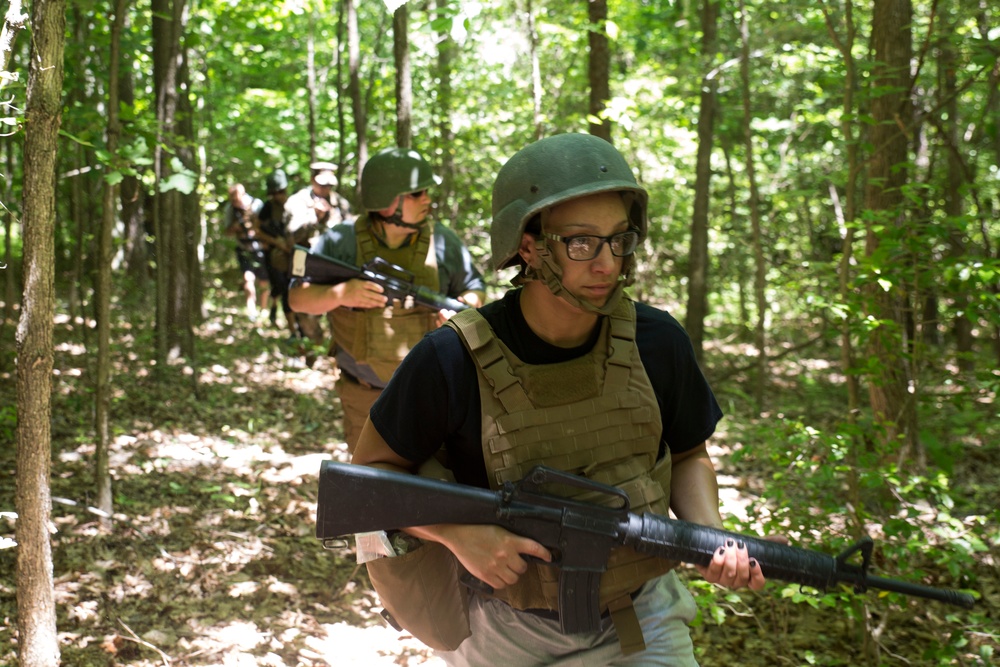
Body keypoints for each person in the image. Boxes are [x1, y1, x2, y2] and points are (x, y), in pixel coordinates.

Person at [351, 133, 774, 665]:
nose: (606, 264)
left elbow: (689, 455)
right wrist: (457, 534)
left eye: (620, 240)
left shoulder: (656, 341)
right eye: (581, 243)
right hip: (503, 634)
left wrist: (709, 534)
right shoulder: (451, 360)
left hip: (642, 619)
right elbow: (365, 489)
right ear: (528, 247)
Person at [289, 147, 485, 452]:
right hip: (365, 398)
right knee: (374, 493)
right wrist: (341, 293)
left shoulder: (443, 241)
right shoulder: (342, 241)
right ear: (386, 200)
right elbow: (298, 299)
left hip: (432, 398)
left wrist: (463, 311)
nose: (427, 200)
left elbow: (475, 289)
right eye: (417, 193)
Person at [283, 161, 354, 363]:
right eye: (322, 184)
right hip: (307, 267)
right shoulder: (296, 202)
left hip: (337, 268)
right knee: (306, 315)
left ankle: (336, 359)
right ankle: (312, 354)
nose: (326, 189)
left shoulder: (341, 203)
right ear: (312, 180)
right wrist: (314, 217)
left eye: (330, 185)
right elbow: (290, 238)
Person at [251, 169, 294, 331]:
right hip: (274, 256)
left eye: (280, 192)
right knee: (281, 287)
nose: (278, 196)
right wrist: (276, 242)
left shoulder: (294, 204)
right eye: (275, 193)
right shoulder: (268, 207)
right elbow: (257, 229)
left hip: (292, 254)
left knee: (290, 287)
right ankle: (288, 326)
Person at [222, 182, 267, 320]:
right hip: (243, 248)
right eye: (232, 200)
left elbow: (267, 226)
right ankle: (251, 310)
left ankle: (264, 309)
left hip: (260, 248)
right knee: (248, 279)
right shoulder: (230, 209)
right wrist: (235, 227)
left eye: (236, 199)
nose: (234, 202)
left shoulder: (257, 205)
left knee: (263, 281)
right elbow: (227, 231)